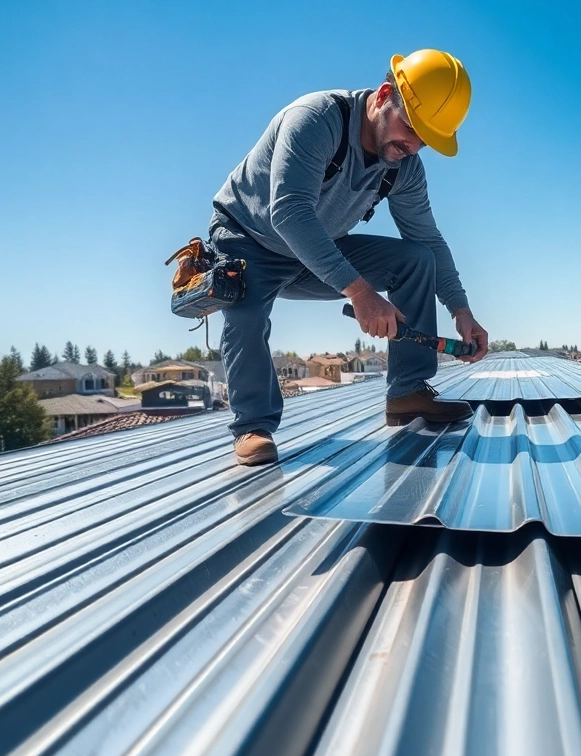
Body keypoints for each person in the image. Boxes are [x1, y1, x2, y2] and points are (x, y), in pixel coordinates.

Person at [207, 49, 488, 466]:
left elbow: (427, 238)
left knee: (416, 259)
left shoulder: (403, 166)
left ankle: (408, 392)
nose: (411, 146)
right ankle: (253, 425)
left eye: (424, 140)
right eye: (409, 127)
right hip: (250, 239)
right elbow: (289, 212)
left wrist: (461, 309)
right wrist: (360, 291)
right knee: (247, 312)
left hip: (317, 249)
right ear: (383, 95)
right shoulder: (315, 119)